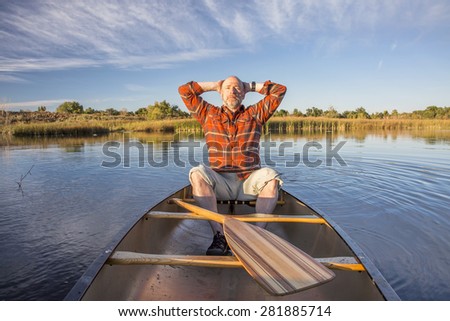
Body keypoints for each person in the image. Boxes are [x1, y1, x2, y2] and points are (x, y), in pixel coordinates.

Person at [178, 76, 287, 255]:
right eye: (228, 88)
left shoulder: (256, 114)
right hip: (220, 181)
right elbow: (185, 91)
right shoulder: (207, 113)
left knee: (271, 176)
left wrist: (249, 86)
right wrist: (215, 85)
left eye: (237, 88)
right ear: (221, 93)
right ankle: (219, 236)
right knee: (196, 173)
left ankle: (257, 237)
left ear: (244, 94)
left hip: (249, 182)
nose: (233, 91)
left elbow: (279, 90)